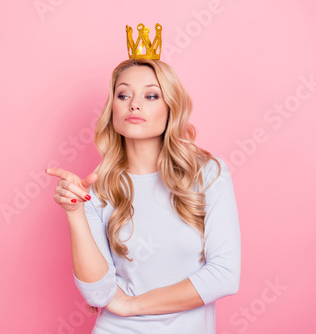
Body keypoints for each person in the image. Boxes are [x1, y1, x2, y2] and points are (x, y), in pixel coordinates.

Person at [46, 25, 241, 333]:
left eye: (151, 95)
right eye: (123, 94)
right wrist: (75, 213)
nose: (134, 104)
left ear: (170, 108)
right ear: (113, 109)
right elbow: (98, 293)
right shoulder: (97, 190)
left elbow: (225, 275)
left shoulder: (208, 174)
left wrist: (132, 305)